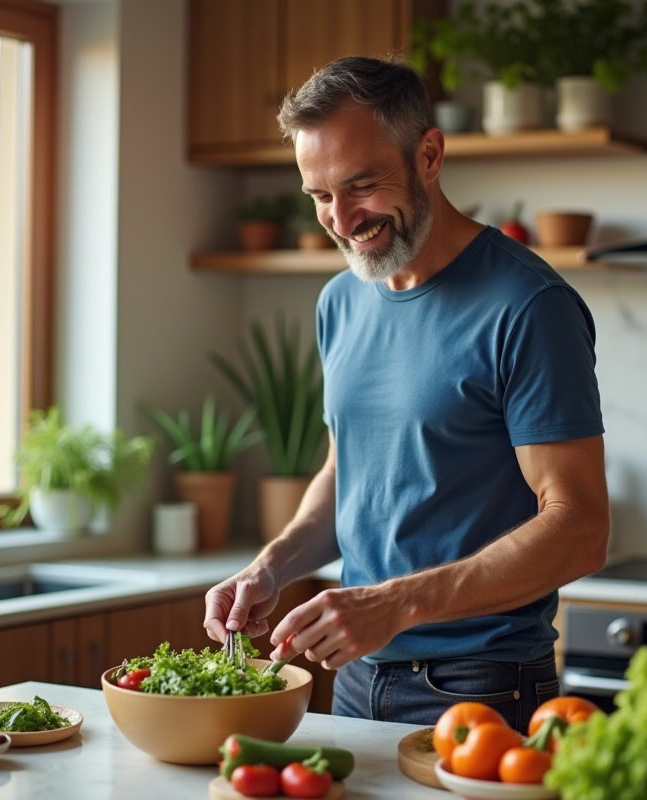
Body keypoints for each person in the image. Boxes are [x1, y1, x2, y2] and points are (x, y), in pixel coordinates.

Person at [202, 55, 610, 729]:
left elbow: (582, 530)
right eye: (320, 196)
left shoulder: (527, 306)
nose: (341, 218)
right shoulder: (341, 302)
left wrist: (397, 604)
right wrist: (268, 569)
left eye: (360, 185)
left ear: (429, 154)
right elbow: (348, 478)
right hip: (356, 678)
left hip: (484, 689)